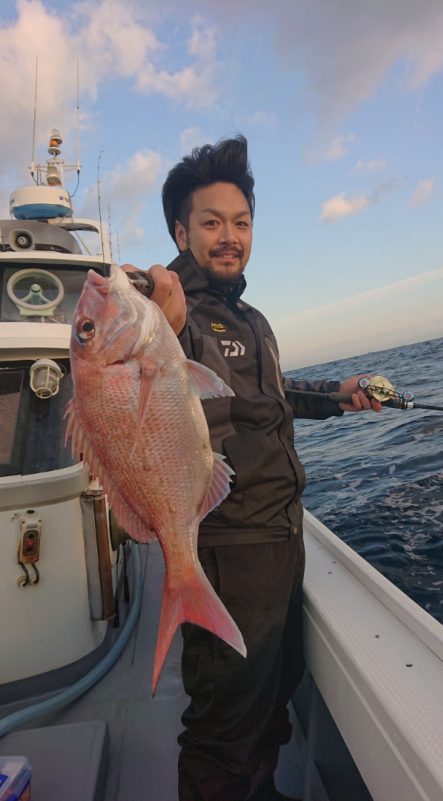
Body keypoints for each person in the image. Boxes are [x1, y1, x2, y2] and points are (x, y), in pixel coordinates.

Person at [123, 135, 381, 801]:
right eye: (211, 222)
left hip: (278, 543)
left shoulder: (252, 318)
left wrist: (341, 395)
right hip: (228, 553)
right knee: (223, 729)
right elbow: (162, 356)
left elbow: (271, 395)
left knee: (270, 707)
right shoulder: (174, 313)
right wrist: (164, 316)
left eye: (241, 222)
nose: (229, 235)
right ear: (181, 230)